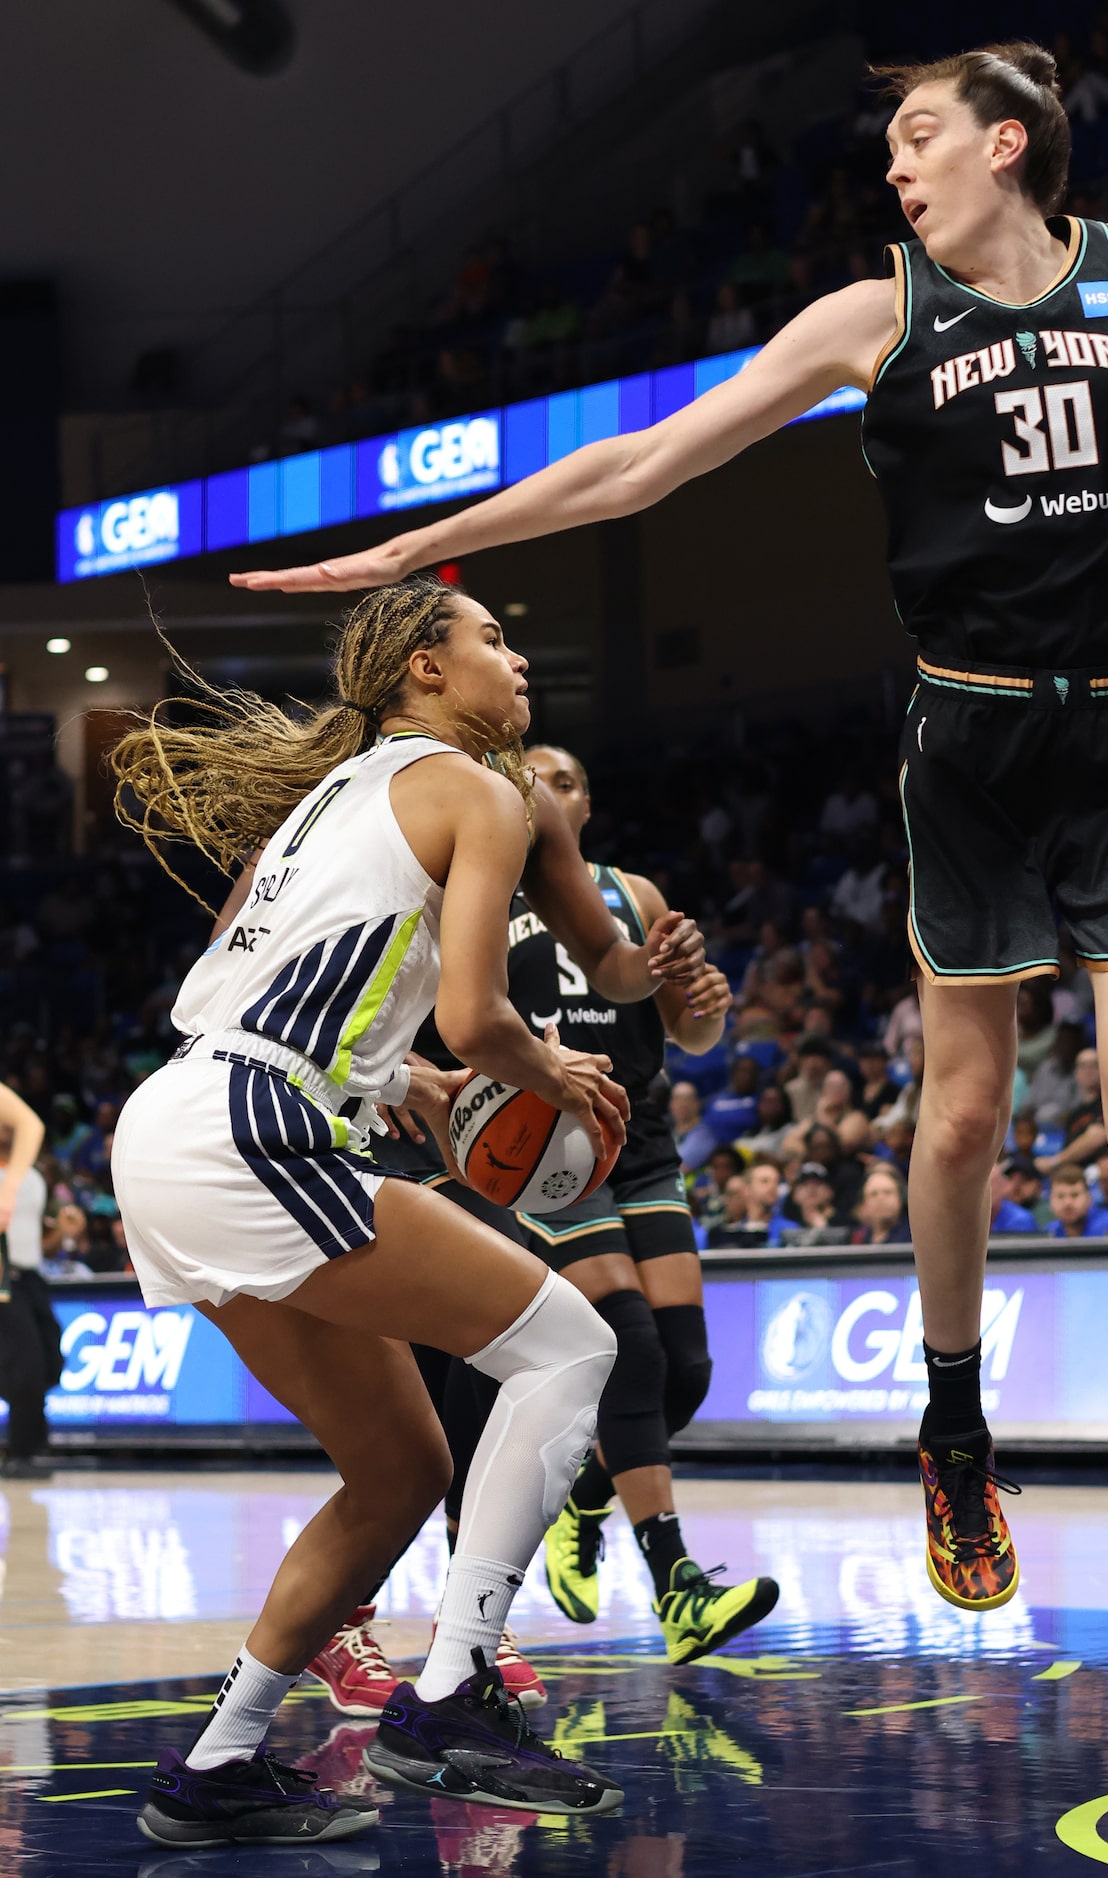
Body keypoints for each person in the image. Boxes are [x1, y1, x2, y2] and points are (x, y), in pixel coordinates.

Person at [235, 40, 1108, 1657]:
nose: (895, 169)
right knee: (959, 1113)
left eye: (918, 136)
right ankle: (953, 1436)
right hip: (970, 745)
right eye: (891, 147)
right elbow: (649, 461)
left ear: (1009, 143)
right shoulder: (869, 317)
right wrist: (434, 541)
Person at [108, 576, 704, 1841]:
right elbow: (478, 1014)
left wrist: (406, 1077)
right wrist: (553, 1072)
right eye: (495, 637)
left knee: (397, 1471)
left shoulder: (316, 807)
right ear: (424, 671)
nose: (518, 657)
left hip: (173, 1124)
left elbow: (243, 987)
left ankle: (214, 1768)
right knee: (573, 1344)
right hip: (255, 1131)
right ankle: (452, 1692)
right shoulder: (479, 789)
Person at [382, 744, 776, 1669]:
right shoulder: (474, 888)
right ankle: (678, 1582)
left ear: (583, 806)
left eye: (560, 782)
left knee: (684, 1369)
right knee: (628, 1343)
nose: (540, 793)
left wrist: (704, 1003)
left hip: (637, 1139)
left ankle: (588, 1493)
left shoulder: (627, 894)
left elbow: (686, 1026)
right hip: (545, 1138)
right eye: (528, 780)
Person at [0, 1085, 58, 1478]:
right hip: (5, 1279)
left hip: (33, 1275)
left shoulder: (31, 1175)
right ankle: (22, 1452)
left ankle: (31, 1442)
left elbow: (36, 1238)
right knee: (27, 1365)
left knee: (51, 1360)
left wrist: (65, 1235)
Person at [1046, 1164, 1108, 1238]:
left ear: (1088, 1198)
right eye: (1060, 1196)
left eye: (1075, 1195)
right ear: (1050, 1200)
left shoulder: (1107, 1223)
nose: (1067, 1203)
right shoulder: (1051, 1230)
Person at [851, 1164, 910, 1244]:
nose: (881, 1199)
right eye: (874, 1194)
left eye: (887, 1192)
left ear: (900, 1198)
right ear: (864, 1203)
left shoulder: (914, 1236)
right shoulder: (859, 1239)